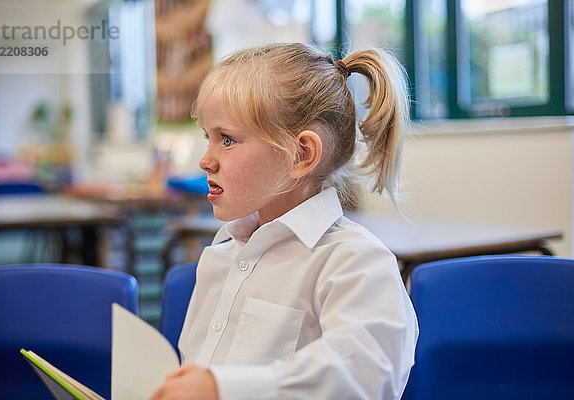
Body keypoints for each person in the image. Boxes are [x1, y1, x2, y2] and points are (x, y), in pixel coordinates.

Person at [150, 42, 418, 400]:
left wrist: (220, 389)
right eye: (207, 138)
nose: (206, 160)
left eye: (227, 140)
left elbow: (362, 375)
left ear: (301, 154)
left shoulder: (355, 263)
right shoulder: (220, 255)